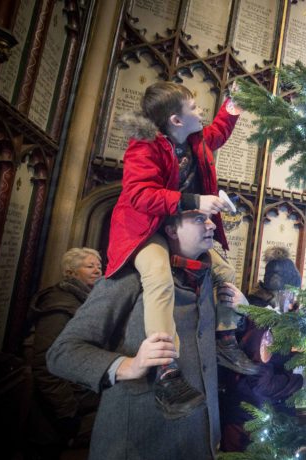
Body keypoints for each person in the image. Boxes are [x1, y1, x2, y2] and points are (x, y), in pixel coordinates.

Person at [105, 81, 258, 418]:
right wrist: (195, 201)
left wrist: (232, 106)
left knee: (224, 271)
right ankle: (166, 369)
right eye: (194, 107)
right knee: (158, 278)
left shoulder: (194, 139)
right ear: (176, 120)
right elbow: (139, 196)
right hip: (147, 230)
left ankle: (225, 341)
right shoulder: (144, 146)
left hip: (181, 227)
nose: (200, 110)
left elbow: (216, 132)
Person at [47, 210, 246, 459]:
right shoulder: (130, 277)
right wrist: (128, 365)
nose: (212, 225)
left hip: (198, 442)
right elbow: (62, 352)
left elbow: (204, 349)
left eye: (210, 218)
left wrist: (241, 311)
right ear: (171, 230)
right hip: (140, 443)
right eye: (199, 219)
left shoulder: (205, 279)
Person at [219, 246, 304, 452]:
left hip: (253, 419)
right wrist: (301, 379)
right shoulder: (261, 324)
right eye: (293, 295)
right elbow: (261, 385)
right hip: (250, 426)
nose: (295, 301)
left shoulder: (263, 314)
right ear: (282, 293)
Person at [27, 248, 103, 452]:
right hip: (54, 415)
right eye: (90, 266)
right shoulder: (59, 304)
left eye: (99, 266)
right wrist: (68, 414)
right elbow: (45, 363)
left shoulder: (86, 300)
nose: (97, 270)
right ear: (71, 272)